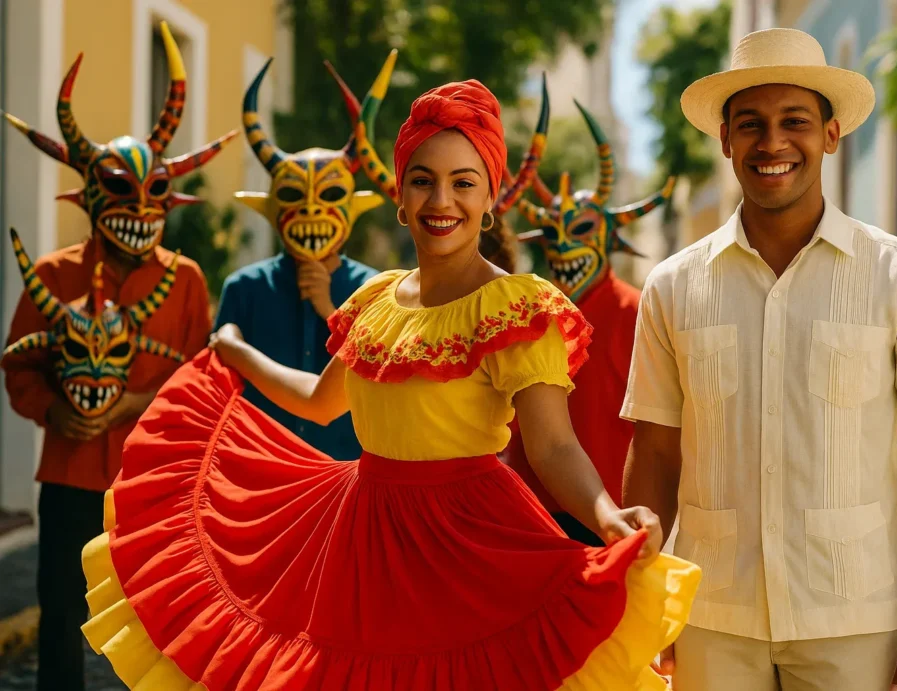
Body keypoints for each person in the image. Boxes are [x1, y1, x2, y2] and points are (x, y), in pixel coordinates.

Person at [79, 79, 700, 690]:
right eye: (423, 180)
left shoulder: (516, 308)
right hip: (360, 537)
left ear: (490, 202)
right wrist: (239, 354)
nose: (442, 201)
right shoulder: (375, 298)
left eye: (464, 183)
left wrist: (606, 516)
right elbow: (322, 404)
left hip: (467, 544)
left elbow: (553, 446)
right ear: (399, 198)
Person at [622, 27, 897, 691]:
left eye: (795, 121)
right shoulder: (672, 287)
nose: (773, 143)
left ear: (831, 134)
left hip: (851, 620)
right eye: (751, 124)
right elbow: (655, 452)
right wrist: (640, 599)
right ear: (726, 139)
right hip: (712, 618)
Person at [1, 22, 221, 691]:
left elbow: (203, 379)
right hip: (68, 477)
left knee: (162, 619)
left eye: (154, 193)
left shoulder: (185, 281)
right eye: (123, 191)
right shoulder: (52, 273)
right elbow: (17, 367)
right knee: (64, 610)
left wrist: (135, 404)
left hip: (153, 483)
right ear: (93, 197)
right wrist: (51, 412)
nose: (140, 208)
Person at [502, 94, 675, 546]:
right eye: (552, 237)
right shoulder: (526, 315)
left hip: (616, 519)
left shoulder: (640, 313)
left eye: (578, 232)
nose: (562, 249)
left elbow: (665, 435)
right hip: (531, 518)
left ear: (607, 236)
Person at [214, 55, 393, 459]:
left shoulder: (376, 291)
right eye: (295, 196)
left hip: (347, 475)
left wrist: (331, 309)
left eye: (329, 195)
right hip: (260, 477)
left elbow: (384, 383)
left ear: (351, 205)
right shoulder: (244, 290)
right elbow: (216, 392)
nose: (312, 211)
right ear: (273, 206)